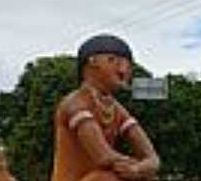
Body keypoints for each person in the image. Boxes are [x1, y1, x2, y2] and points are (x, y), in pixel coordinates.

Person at [51, 34, 159, 181]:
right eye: (113, 60)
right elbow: (103, 156)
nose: (123, 70)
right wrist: (136, 165)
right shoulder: (75, 103)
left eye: (128, 64)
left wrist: (138, 169)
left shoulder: (117, 109)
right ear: (92, 62)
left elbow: (152, 159)